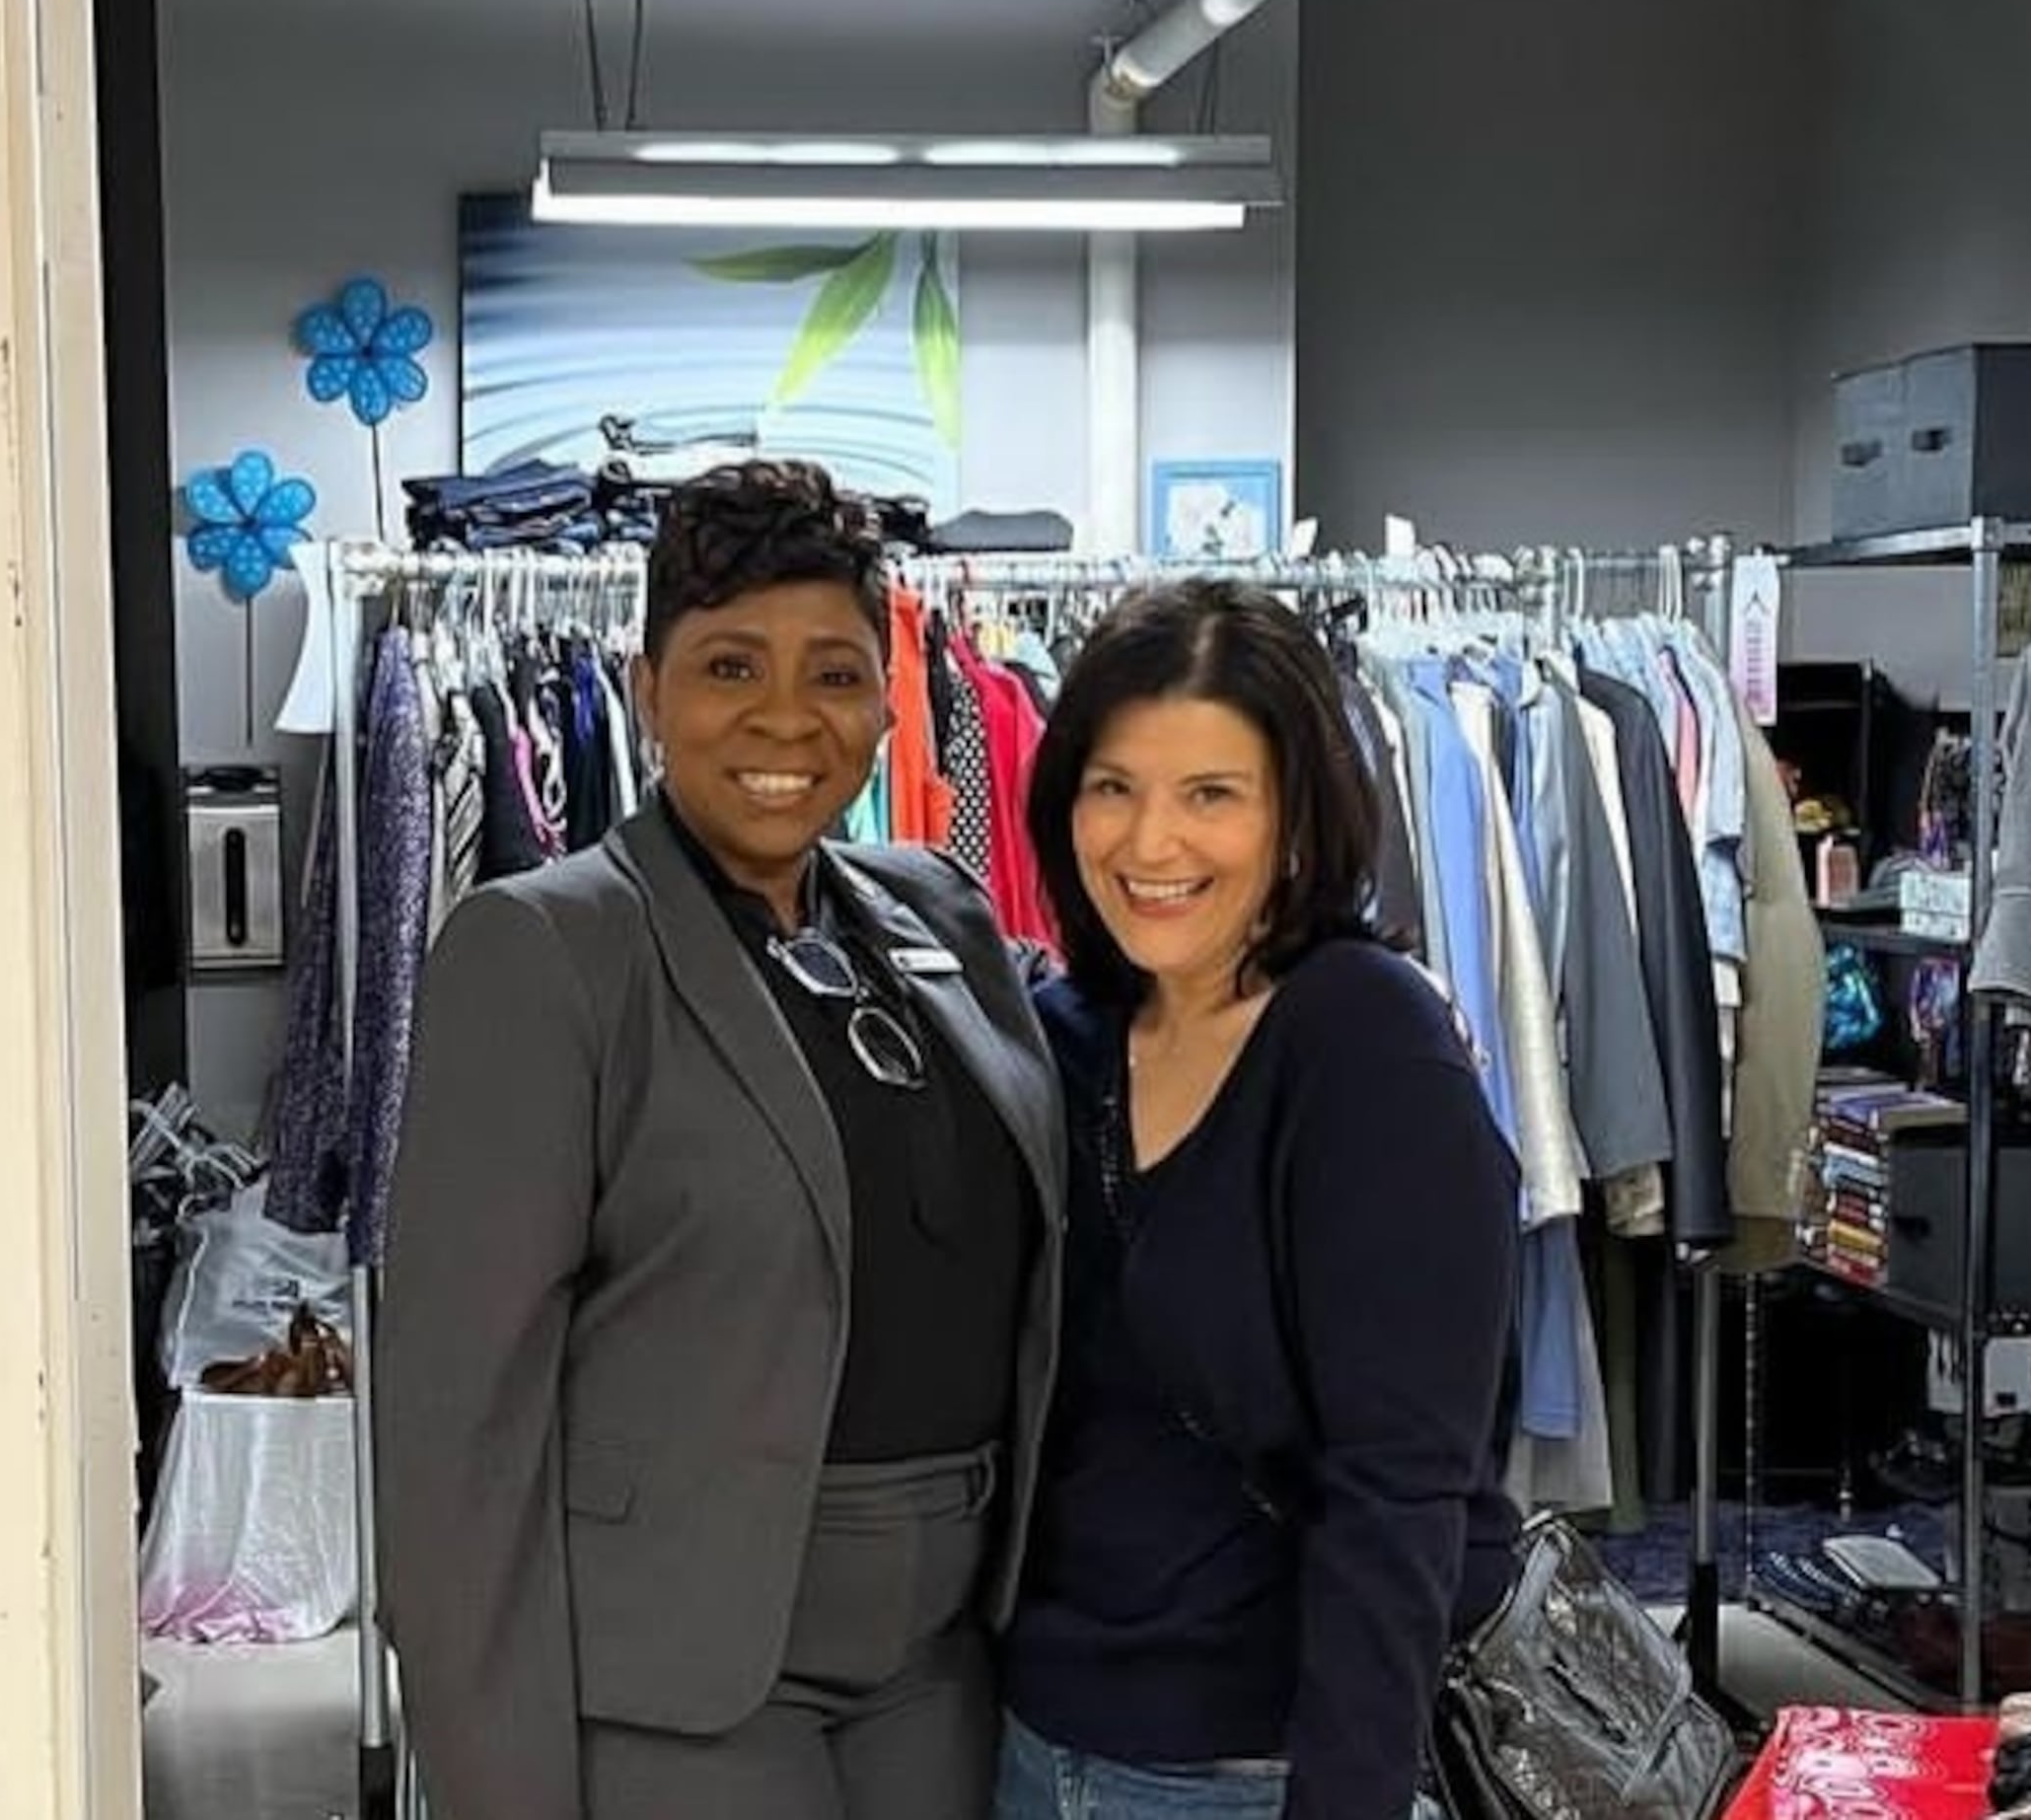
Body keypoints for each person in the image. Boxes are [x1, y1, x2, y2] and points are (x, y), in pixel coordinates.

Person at [377, 460, 1064, 1820]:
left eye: (835, 673)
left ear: (886, 697)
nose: (786, 719)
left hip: (941, 1663)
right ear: (646, 692)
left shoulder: (936, 913)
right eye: (730, 666)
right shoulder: (549, 950)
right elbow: (459, 1429)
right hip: (688, 1680)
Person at [996, 579, 1520, 1820]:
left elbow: (1399, 1492)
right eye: (1112, 787)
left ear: (1295, 819)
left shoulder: (1365, 1047)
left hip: (1262, 1767)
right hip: (1028, 1743)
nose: (1149, 843)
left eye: (1210, 795)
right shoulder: (1059, 1037)